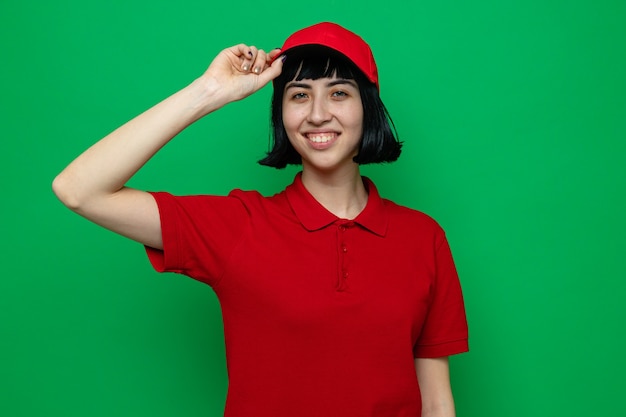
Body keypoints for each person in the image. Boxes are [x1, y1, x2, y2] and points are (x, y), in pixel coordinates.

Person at [53, 22, 468, 417]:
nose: (318, 114)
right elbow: (79, 189)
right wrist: (209, 91)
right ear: (281, 113)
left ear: (368, 106)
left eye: (339, 93)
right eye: (299, 95)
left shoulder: (423, 237)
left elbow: (435, 403)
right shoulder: (240, 226)